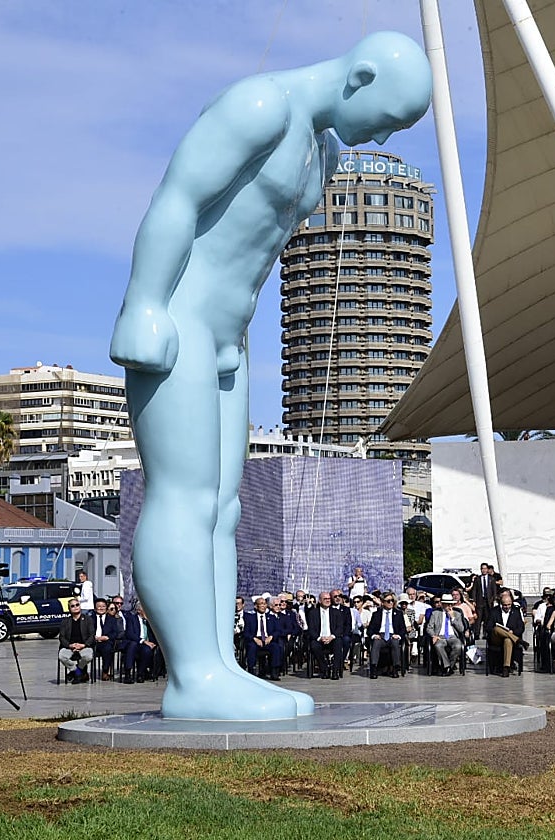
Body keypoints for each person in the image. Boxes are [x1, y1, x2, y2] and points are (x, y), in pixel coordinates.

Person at [108, 31, 432, 721]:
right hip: (181, 320)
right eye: (387, 119)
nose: (382, 138)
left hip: (230, 338)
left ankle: (217, 665)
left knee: (223, 509)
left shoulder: (324, 149)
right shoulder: (260, 106)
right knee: (184, 497)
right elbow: (177, 199)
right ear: (361, 78)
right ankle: (191, 678)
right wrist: (144, 303)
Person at [305, 591, 347, 679]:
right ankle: (324, 669)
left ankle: (335, 671)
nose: (328, 601)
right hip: (319, 638)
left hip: (332, 638)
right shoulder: (313, 613)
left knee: (339, 642)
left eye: (329, 599)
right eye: (325, 599)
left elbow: (340, 628)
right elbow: (311, 629)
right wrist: (319, 638)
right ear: (320, 601)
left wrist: (332, 637)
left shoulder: (336, 612)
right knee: (314, 645)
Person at [366, 592, 406, 678]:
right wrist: (374, 635)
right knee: (376, 643)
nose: (391, 603)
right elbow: (370, 630)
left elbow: (403, 629)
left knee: (395, 642)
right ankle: (374, 668)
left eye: (392, 600)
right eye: (388, 601)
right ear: (382, 602)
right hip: (380, 635)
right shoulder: (376, 614)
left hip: (393, 635)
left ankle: (395, 668)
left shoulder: (398, 614)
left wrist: (398, 635)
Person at [426, 594, 467, 675]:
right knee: (438, 645)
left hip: (452, 637)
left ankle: (448, 666)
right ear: (443, 604)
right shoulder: (435, 613)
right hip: (440, 636)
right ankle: (447, 667)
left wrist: (453, 618)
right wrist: (433, 635)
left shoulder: (457, 614)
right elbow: (429, 628)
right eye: (447, 604)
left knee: (458, 646)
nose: (450, 606)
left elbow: (461, 629)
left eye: (451, 604)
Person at [57, 597, 95, 684]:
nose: (75, 607)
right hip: (70, 646)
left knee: (88, 656)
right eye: (72, 606)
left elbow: (91, 635)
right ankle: (77, 672)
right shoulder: (65, 621)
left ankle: (76, 672)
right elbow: (62, 637)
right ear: (69, 609)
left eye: (77, 605)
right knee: (62, 656)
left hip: (84, 646)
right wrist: (70, 645)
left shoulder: (88, 619)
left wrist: (83, 645)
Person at [488, 589, 525, 677]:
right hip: (496, 638)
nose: (507, 607)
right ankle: (517, 640)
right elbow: (488, 627)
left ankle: (506, 667)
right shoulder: (494, 611)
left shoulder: (516, 611)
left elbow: (521, 627)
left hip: (509, 639)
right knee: (496, 628)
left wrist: (513, 632)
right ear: (501, 604)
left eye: (509, 605)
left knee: (508, 640)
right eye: (505, 605)